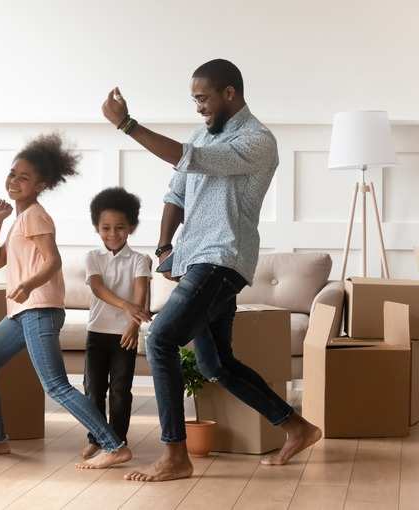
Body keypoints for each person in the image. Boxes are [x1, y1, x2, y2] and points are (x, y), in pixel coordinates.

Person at [100, 59, 322, 482]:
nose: (198, 107)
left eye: (203, 98)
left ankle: (175, 455)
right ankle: (297, 427)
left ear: (230, 94)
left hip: (222, 259)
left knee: (162, 339)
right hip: (196, 258)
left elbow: (189, 159)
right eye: (194, 99)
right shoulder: (202, 133)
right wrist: (167, 247)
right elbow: (176, 192)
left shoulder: (258, 140)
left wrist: (127, 124)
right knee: (216, 363)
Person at [0, 134, 132, 470]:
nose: (14, 181)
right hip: (21, 312)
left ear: (40, 184)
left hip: (38, 309)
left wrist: (28, 284)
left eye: (23, 177)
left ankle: (114, 445)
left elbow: (53, 261)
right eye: (12, 173)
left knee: (55, 386)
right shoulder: (20, 218)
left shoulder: (35, 216)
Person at [81, 187, 152, 460]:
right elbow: (98, 288)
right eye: (106, 228)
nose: (112, 234)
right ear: (97, 227)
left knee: (121, 391)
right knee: (93, 389)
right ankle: (96, 439)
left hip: (125, 334)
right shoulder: (93, 257)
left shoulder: (139, 260)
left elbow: (141, 293)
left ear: (131, 227)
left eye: (119, 228)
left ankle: (117, 441)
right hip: (97, 332)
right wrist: (127, 307)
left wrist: (133, 326)